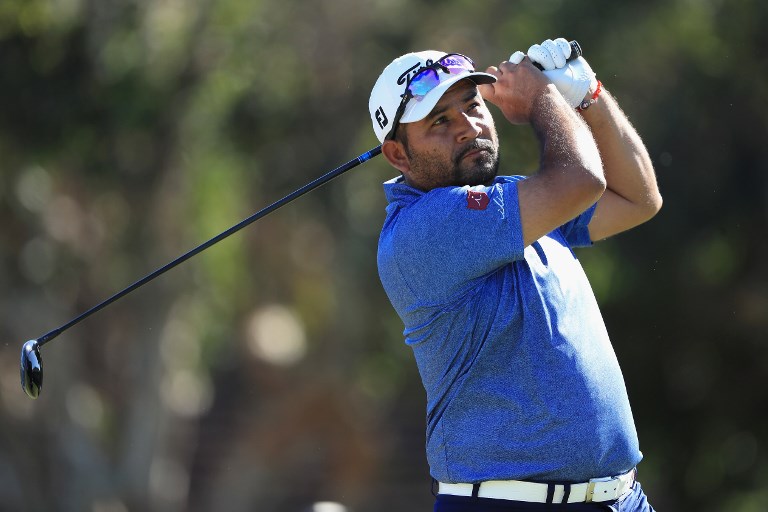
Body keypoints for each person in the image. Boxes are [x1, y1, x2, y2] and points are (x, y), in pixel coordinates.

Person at [368, 37, 662, 511]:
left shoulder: (516, 200)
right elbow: (582, 180)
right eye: (439, 121)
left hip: (621, 497)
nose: (468, 127)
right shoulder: (423, 229)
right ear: (398, 155)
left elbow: (638, 199)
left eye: (472, 105)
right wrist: (542, 98)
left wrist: (589, 94)